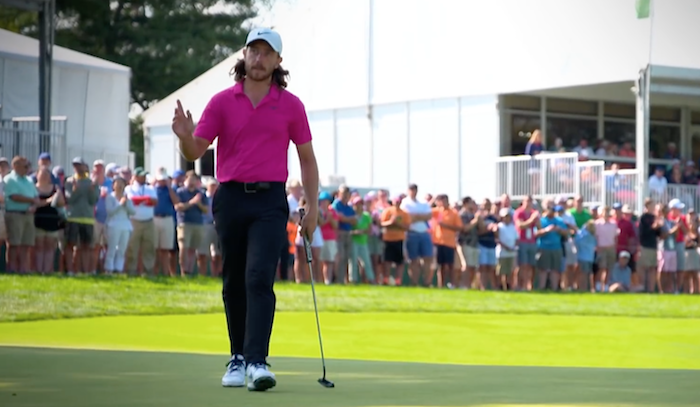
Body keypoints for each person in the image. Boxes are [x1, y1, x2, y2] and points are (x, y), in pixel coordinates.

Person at [171, 27, 319, 392]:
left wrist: (312, 206)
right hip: (231, 198)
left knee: (258, 277)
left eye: (267, 53)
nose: (259, 58)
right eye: (254, 50)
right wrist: (185, 137)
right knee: (235, 277)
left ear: (278, 61)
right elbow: (195, 151)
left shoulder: (291, 105)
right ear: (245, 54)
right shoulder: (222, 101)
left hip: (270, 201)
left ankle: (257, 361)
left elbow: (307, 159)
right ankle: (237, 357)